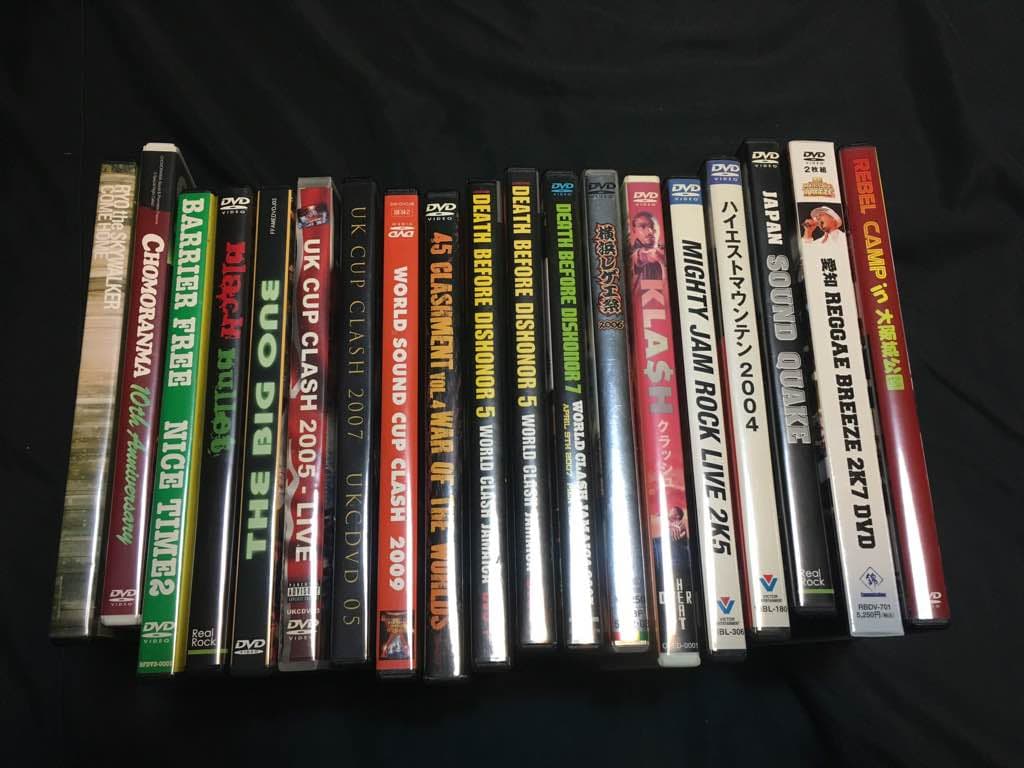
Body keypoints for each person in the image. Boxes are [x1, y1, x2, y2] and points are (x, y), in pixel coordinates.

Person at [629, 210, 666, 287]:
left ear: (658, 228)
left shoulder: (664, 248)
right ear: (634, 230)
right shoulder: (631, 252)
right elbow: (642, 255)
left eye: (653, 226)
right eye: (642, 227)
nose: (649, 231)